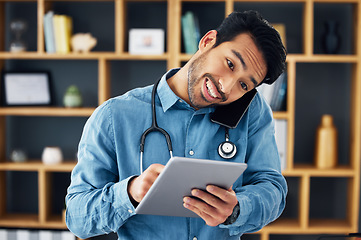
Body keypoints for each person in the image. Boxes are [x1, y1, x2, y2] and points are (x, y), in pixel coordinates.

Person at [65, 10, 288, 240]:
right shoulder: (114, 116)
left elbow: (273, 190)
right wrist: (129, 193)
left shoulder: (252, 112)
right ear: (207, 41)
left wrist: (237, 209)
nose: (226, 87)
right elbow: (77, 218)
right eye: (230, 64)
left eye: (243, 85)